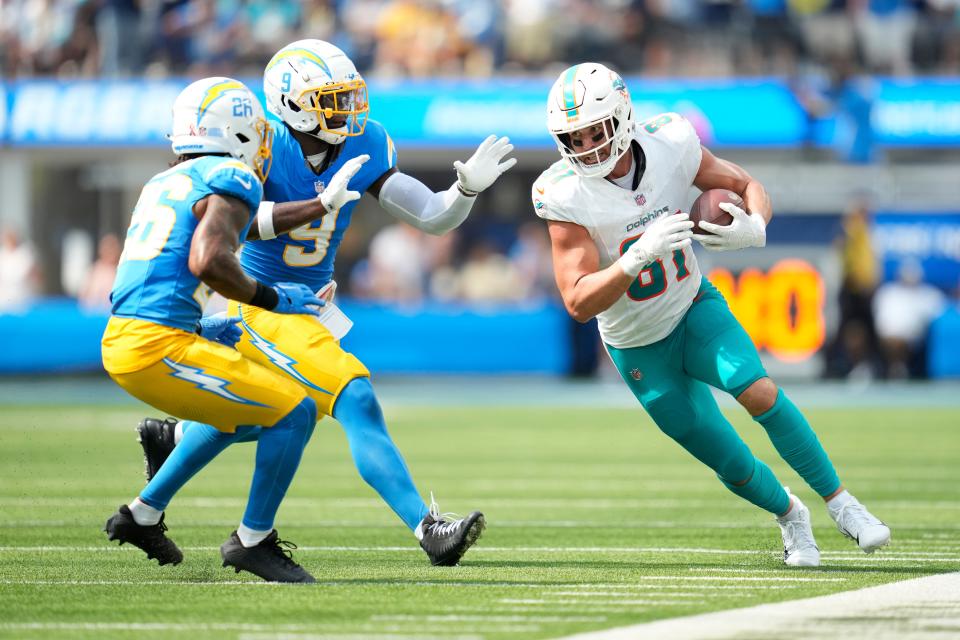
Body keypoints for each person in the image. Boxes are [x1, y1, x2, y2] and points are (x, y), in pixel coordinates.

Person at [135, 39, 516, 567]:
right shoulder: (262, 145)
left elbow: (430, 215)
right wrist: (315, 205)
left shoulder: (368, 142)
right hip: (263, 301)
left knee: (271, 415)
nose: (348, 110)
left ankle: (161, 470)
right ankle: (427, 528)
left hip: (307, 304)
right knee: (354, 395)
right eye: (331, 99)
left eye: (348, 96)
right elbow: (234, 221)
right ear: (291, 104)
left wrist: (464, 191)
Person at [532, 63, 890, 567]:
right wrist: (634, 259)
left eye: (595, 130)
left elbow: (745, 184)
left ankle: (844, 505)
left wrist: (756, 224)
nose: (587, 146)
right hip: (636, 345)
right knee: (728, 458)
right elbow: (577, 300)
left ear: (623, 117)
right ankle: (792, 516)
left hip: (693, 306)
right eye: (574, 136)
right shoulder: (563, 192)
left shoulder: (670, 142)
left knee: (758, 390)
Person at [102, 76, 329, 583]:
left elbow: (163, 271)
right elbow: (209, 258)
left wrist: (207, 324)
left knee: (245, 417)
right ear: (240, 132)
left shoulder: (166, 183)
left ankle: (143, 513)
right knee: (296, 411)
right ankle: (253, 541)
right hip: (155, 346)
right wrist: (273, 297)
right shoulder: (230, 174)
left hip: (136, 336)